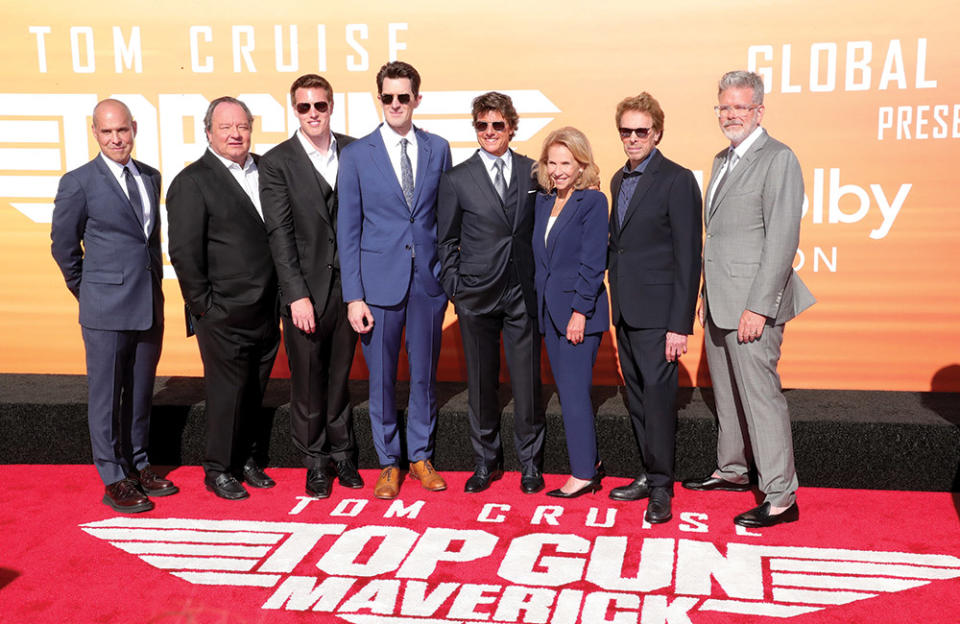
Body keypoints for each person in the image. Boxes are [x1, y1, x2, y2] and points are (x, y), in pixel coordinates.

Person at [683, 71, 816, 528]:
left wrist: (759, 306)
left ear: (759, 110)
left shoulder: (778, 158)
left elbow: (782, 238)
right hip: (720, 301)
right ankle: (734, 470)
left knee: (760, 398)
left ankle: (781, 496)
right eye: (725, 107)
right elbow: (717, 236)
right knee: (727, 395)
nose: (731, 114)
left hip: (753, 306)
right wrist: (704, 292)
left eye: (741, 107)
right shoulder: (722, 159)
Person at [51, 98, 176, 513]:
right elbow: (64, 247)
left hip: (147, 303)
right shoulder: (79, 182)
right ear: (95, 133)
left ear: (134, 128)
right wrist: (86, 291)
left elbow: (149, 242)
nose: (116, 138)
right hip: (104, 306)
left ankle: (138, 464)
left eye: (122, 130)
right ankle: (113, 476)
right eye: (107, 132)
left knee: (140, 393)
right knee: (106, 398)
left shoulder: (150, 176)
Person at [337, 61, 453, 500]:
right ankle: (388, 463)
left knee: (424, 375)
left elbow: (445, 218)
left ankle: (421, 456)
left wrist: (447, 277)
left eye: (404, 97)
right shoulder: (356, 154)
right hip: (377, 286)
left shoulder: (439, 148)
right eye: (388, 97)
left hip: (427, 283)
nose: (396, 104)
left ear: (417, 100)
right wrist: (354, 296)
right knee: (381, 379)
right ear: (378, 99)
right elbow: (348, 230)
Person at [167, 96, 281, 501]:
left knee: (254, 391)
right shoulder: (192, 181)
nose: (236, 134)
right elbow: (183, 252)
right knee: (226, 395)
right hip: (223, 313)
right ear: (209, 132)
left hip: (268, 308)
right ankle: (218, 469)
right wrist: (205, 309)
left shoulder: (268, 169)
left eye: (243, 126)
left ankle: (246, 459)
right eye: (226, 127)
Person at [437, 92, 545, 495]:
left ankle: (530, 464)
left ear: (511, 127)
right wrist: (456, 288)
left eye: (497, 125)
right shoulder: (457, 178)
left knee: (527, 383)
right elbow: (445, 240)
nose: (489, 132)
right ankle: (485, 462)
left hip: (522, 291)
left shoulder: (532, 171)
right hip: (476, 296)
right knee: (481, 385)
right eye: (482, 125)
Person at [259, 75, 362, 499]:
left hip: (350, 288)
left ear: (332, 106)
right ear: (294, 110)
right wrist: (295, 293)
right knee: (307, 382)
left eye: (320, 105)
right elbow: (279, 235)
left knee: (341, 378)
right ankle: (315, 461)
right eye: (304, 107)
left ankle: (343, 454)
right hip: (305, 292)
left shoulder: (356, 150)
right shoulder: (277, 162)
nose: (313, 114)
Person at [606, 94, 702, 524]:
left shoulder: (677, 180)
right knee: (639, 401)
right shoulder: (616, 179)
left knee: (660, 403)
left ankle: (662, 487)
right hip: (625, 311)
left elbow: (689, 256)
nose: (632, 138)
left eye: (640, 131)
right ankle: (647, 473)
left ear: (657, 133)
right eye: (625, 131)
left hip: (661, 317)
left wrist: (678, 324)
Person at [531, 127, 610, 498]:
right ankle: (588, 462)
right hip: (550, 313)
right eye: (553, 162)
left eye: (567, 162)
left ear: (582, 165)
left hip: (579, 314)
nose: (559, 169)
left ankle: (582, 474)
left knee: (575, 394)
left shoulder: (592, 203)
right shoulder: (544, 202)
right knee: (567, 392)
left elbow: (593, 264)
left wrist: (580, 312)